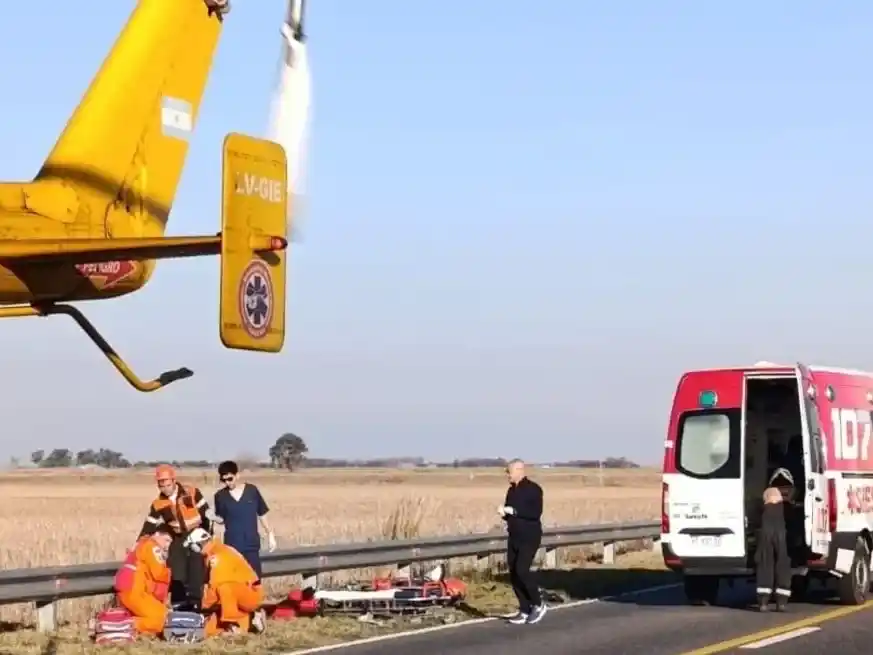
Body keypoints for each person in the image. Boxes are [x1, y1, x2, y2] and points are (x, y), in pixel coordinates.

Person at [138, 464, 212, 610]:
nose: (165, 488)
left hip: (197, 536)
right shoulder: (158, 503)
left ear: (173, 480)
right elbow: (149, 526)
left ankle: (196, 604)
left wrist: (205, 534)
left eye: (167, 484)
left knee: (196, 569)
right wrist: (138, 544)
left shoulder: (192, 492)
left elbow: (207, 514)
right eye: (162, 486)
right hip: (178, 538)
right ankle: (179, 606)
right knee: (177, 571)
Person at [183, 528, 266, 635]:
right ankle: (251, 620)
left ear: (198, 544)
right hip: (237, 597)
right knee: (208, 629)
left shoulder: (219, 555)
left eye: (191, 547)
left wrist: (203, 606)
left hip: (250, 594)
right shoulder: (213, 552)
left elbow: (215, 586)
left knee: (224, 588)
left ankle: (233, 623)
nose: (191, 550)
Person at [499, 458, 547, 625]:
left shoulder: (534, 490)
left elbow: (535, 513)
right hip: (514, 536)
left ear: (519, 470)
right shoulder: (511, 490)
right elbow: (510, 511)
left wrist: (515, 511)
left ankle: (538, 604)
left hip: (530, 535)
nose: (507, 475)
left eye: (509, 471)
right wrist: (505, 514)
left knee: (522, 570)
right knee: (513, 573)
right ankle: (524, 609)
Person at [211, 460, 276, 579]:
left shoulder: (252, 491)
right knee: (236, 581)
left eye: (230, 479)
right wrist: (213, 518)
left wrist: (270, 534)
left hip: (251, 544)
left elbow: (262, 513)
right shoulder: (220, 496)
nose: (227, 483)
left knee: (254, 580)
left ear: (237, 475)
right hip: (232, 546)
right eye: (224, 480)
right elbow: (221, 520)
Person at [114, 526, 173, 636]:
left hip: (132, 589)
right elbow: (159, 573)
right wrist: (169, 572)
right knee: (163, 620)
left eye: (170, 542)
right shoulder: (152, 547)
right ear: (156, 535)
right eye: (166, 540)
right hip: (134, 590)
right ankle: (122, 625)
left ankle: (121, 623)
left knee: (164, 615)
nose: (167, 545)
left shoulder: (143, 544)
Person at [755, 468, 794, 612]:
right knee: (782, 564)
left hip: (766, 531)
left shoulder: (766, 497)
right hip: (780, 532)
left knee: (765, 564)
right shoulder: (787, 506)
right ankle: (781, 602)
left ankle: (763, 602)